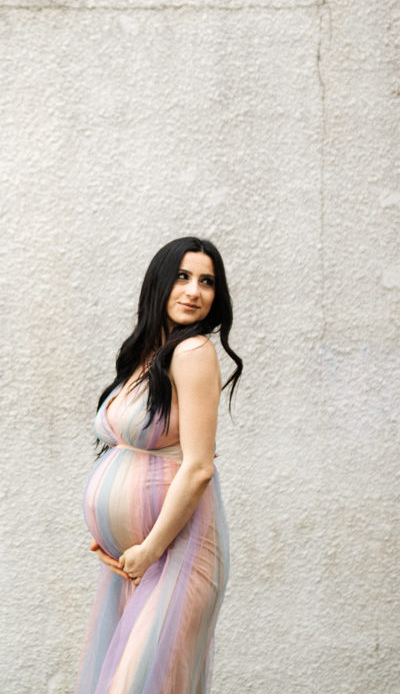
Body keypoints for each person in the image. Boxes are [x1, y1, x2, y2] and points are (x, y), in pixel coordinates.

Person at [75, 237, 244, 694]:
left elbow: (199, 467)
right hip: (135, 559)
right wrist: (115, 533)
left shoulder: (192, 352)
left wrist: (148, 549)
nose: (194, 291)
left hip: (175, 554)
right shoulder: (145, 356)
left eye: (207, 282)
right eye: (182, 276)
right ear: (159, 282)